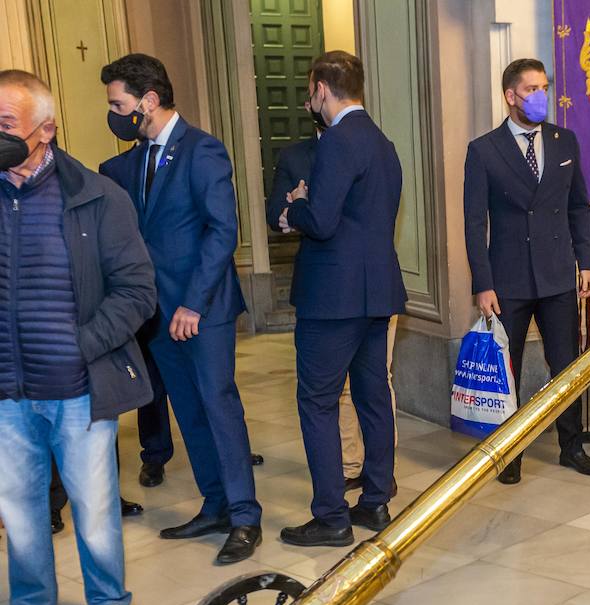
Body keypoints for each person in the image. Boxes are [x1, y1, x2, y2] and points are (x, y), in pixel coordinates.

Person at [0, 70, 156, 605]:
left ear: (45, 130)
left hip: (77, 385)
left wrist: (81, 345)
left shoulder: (95, 196)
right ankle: (32, 602)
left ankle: (110, 602)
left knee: (93, 507)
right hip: (7, 387)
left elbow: (139, 290)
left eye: (6, 125)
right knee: (18, 506)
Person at [100, 53, 262, 566]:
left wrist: (193, 302)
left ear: (147, 101)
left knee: (218, 406)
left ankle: (244, 516)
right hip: (158, 313)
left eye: (118, 103)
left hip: (202, 309)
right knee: (188, 413)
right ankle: (214, 504)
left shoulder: (203, 151)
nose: (114, 112)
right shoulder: (137, 159)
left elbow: (223, 231)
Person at [277, 51, 404, 546]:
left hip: (332, 297)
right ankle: (374, 502)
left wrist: (296, 207)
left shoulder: (336, 142)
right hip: (377, 294)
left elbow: (323, 222)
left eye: (311, 91)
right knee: (374, 400)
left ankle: (330, 516)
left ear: (321, 89)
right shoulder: (382, 141)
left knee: (318, 403)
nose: (310, 100)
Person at [463, 57, 590, 486]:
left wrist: (587, 262)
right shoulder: (484, 149)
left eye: (544, 87)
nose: (541, 96)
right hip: (508, 281)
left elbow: (579, 205)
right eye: (532, 89)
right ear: (510, 96)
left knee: (567, 364)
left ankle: (571, 444)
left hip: (559, 274)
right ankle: (511, 451)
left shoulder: (565, 142)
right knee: (510, 368)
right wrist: (482, 284)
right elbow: (474, 222)